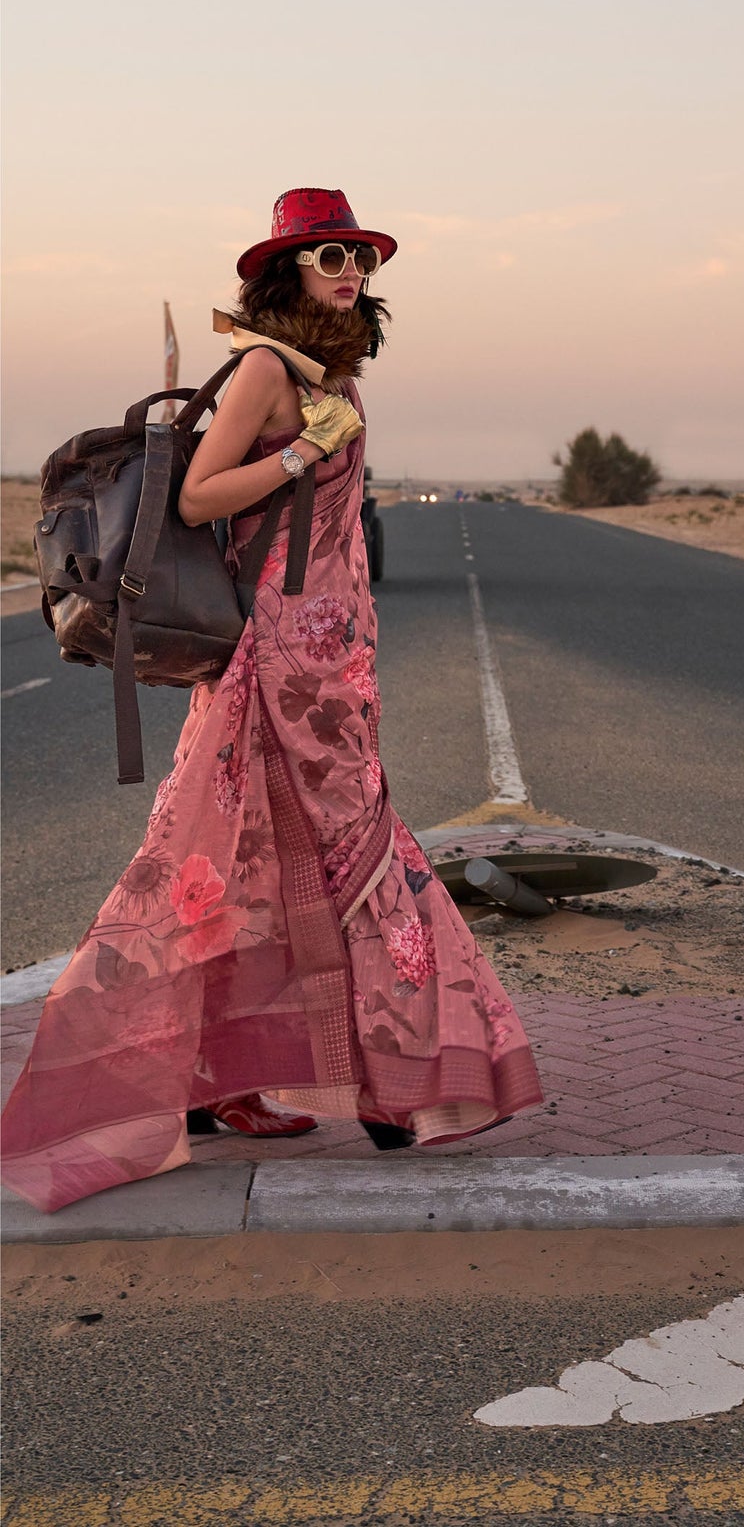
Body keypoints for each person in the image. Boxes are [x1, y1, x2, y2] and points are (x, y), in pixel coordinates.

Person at [1, 188, 542, 1213]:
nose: (349, 269)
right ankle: (401, 1083)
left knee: (260, 860)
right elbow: (201, 493)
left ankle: (230, 1081)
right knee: (321, 856)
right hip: (276, 657)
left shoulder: (329, 372)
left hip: (333, 656)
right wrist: (298, 449)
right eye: (328, 254)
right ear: (285, 271)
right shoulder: (264, 368)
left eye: (359, 256)